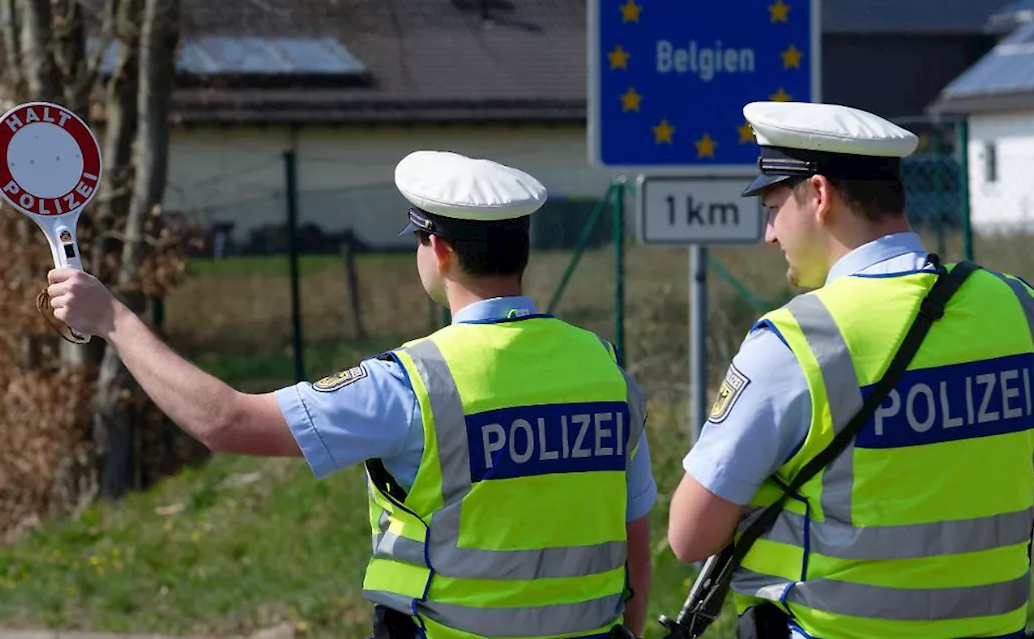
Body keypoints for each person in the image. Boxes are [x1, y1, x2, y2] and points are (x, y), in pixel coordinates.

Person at [45, 149, 655, 639]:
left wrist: (115, 322)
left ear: (438, 251)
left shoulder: (416, 383)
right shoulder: (606, 373)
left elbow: (226, 422)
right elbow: (635, 544)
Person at [666, 101, 1034, 639]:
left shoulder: (795, 340)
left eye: (774, 205)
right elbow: (1027, 498)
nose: (770, 234)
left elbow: (689, 538)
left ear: (820, 195)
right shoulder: (1020, 309)